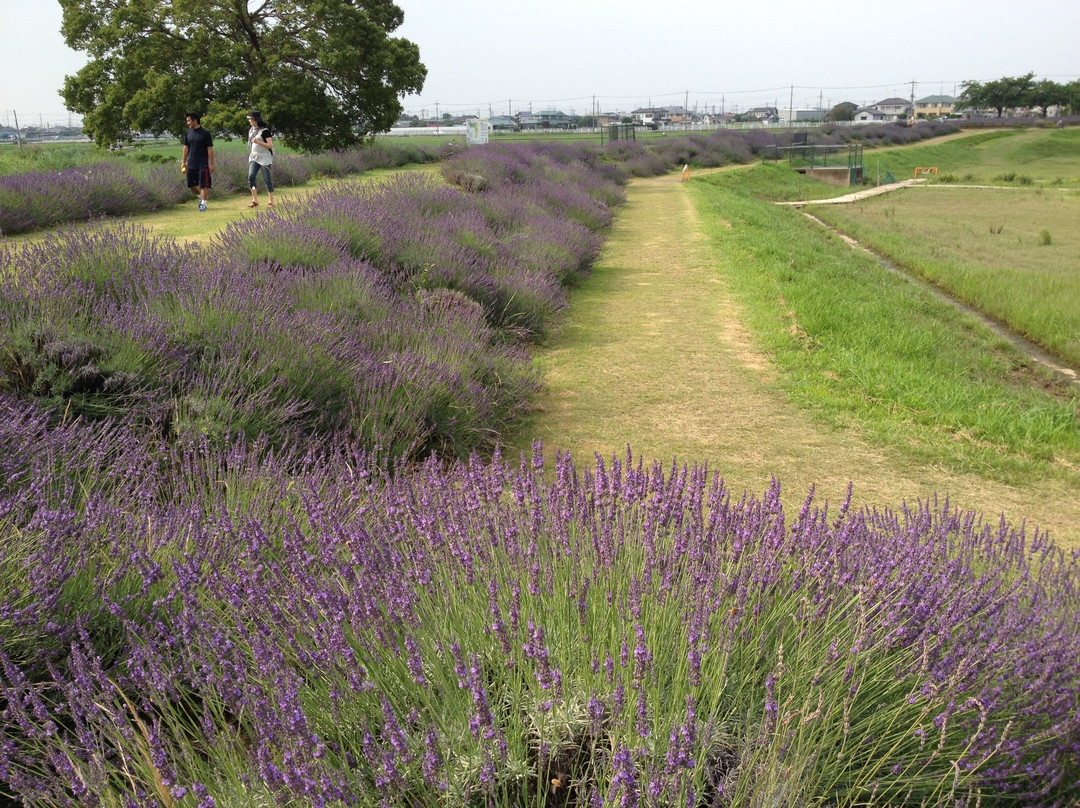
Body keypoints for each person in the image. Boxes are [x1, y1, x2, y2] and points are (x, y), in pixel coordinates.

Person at [181, 112, 214, 211]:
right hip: (191, 162)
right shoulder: (188, 133)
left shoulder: (205, 133)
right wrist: (183, 162)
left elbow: (210, 149)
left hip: (202, 162)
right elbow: (186, 147)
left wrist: (211, 164)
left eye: (189, 120)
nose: (187, 123)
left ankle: (203, 204)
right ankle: (201, 196)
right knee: (191, 185)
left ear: (195, 120)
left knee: (203, 184)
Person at [246, 110, 275, 207]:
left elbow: (270, 145)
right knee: (251, 177)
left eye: (250, 118)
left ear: (255, 119)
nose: (249, 120)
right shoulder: (251, 130)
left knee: (267, 179)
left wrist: (259, 142)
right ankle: (255, 200)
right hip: (254, 156)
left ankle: (271, 201)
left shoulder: (265, 131)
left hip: (264, 157)